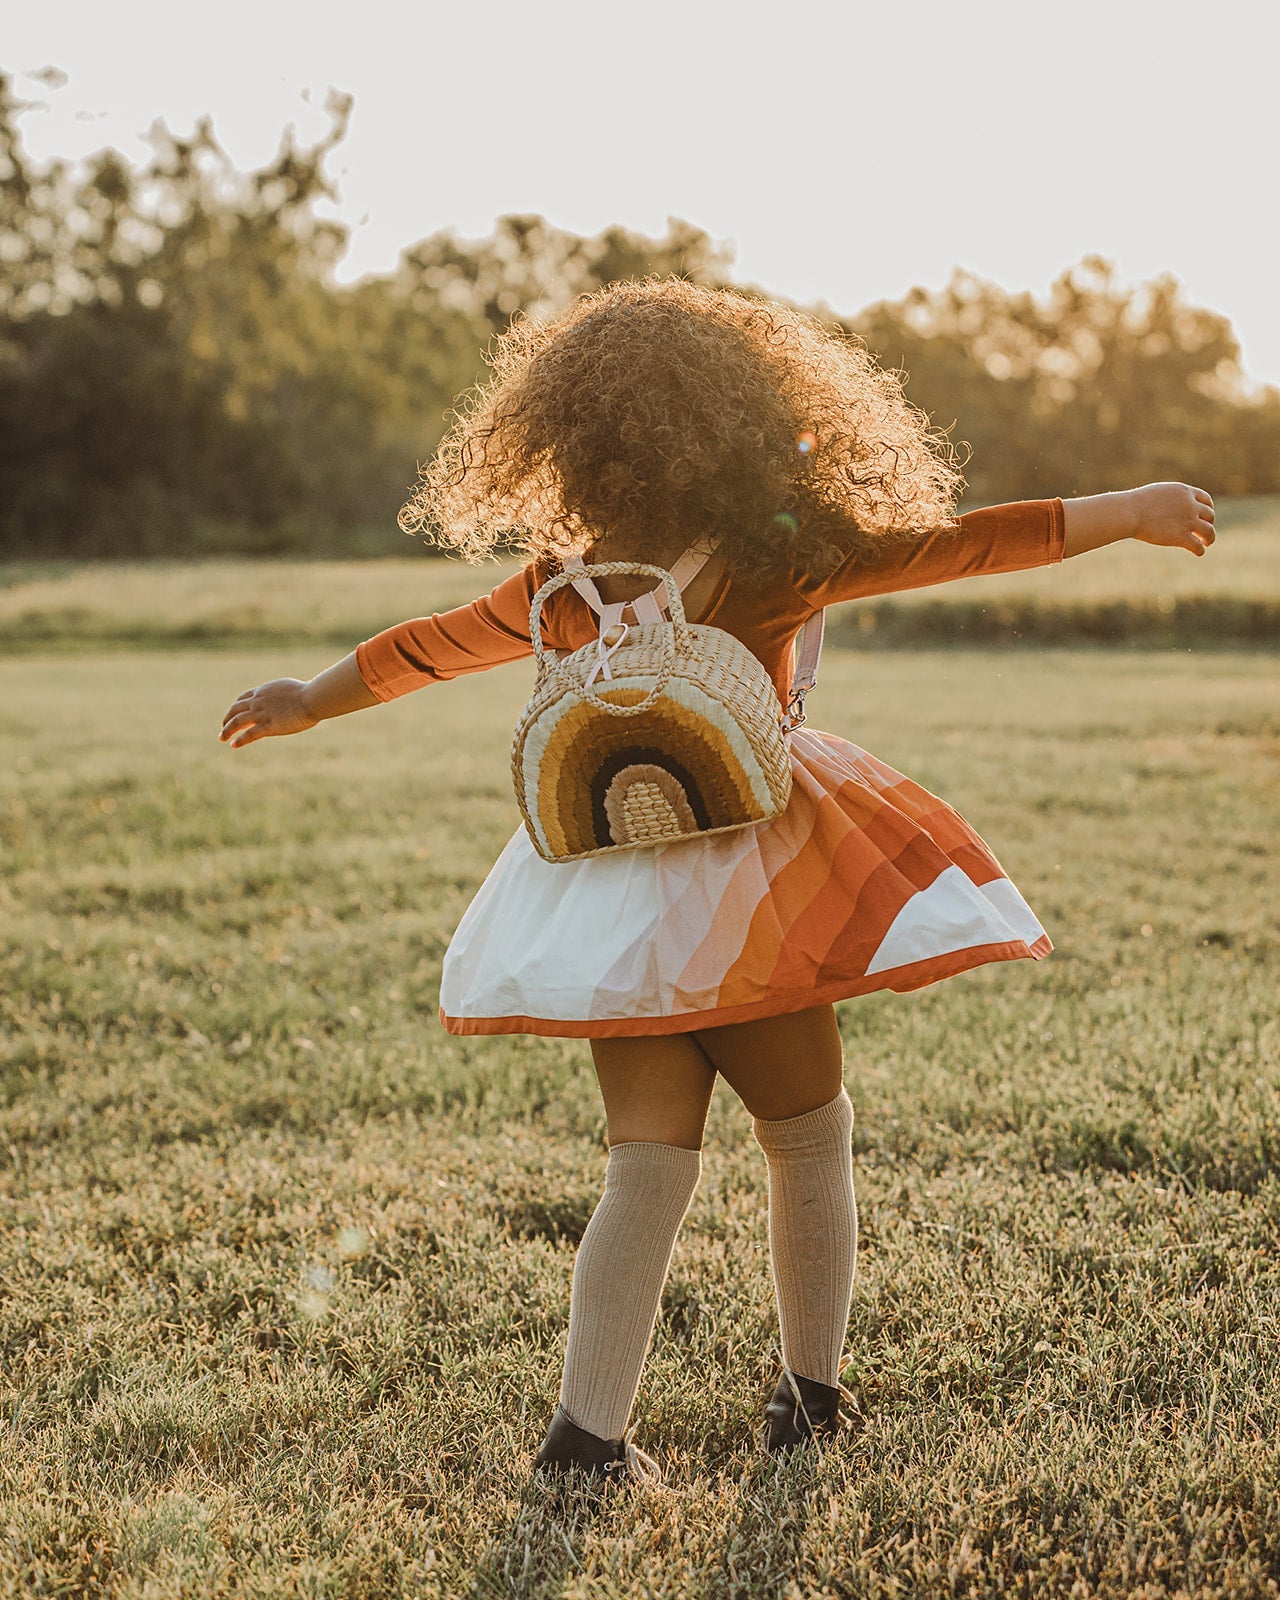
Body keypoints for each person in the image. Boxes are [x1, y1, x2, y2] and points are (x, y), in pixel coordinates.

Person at [219, 279, 1215, 1485]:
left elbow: (424, 647)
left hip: (608, 887)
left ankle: (585, 1438)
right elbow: (963, 543)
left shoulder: (558, 584)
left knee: (642, 1164)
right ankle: (808, 1399)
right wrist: (1135, 507)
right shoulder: (767, 557)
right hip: (750, 886)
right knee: (806, 1136)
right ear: (746, 414)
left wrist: (303, 701)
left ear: (571, 437)